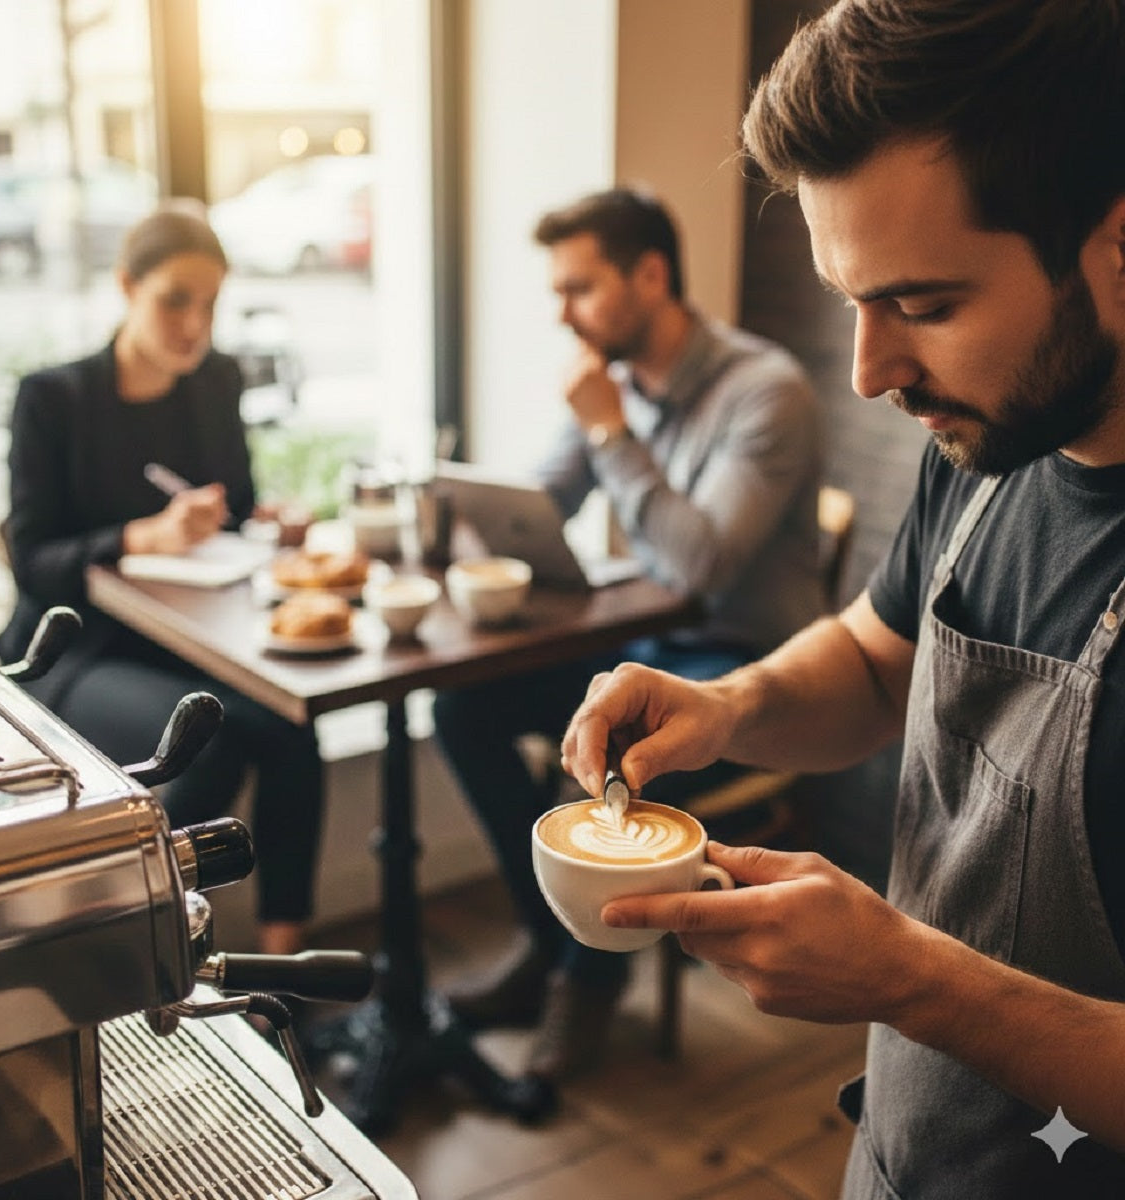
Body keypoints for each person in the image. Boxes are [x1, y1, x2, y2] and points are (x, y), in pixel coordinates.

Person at [561, 2, 1125, 1195]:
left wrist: (910, 980)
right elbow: (880, 662)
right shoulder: (982, 448)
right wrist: (732, 706)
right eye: (851, 302)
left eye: (923, 306)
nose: (871, 372)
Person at [433, 187, 822, 1083]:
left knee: (621, 746)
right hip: (647, 657)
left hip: (747, 674)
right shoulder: (619, 384)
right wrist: (467, 519)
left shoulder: (765, 393)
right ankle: (553, 939)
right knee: (466, 708)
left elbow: (700, 567)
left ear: (651, 276)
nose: (563, 313)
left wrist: (610, 428)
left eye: (578, 289)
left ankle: (583, 990)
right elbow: (542, 507)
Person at [0, 204, 324, 958]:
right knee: (206, 742)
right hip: (73, 651)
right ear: (126, 286)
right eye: (175, 299)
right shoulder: (54, 398)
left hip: (186, 640)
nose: (194, 324)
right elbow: (32, 559)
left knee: (291, 731)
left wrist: (267, 521)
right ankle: (145, 960)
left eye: (209, 305)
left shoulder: (215, 381)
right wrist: (143, 535)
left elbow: (233, 505)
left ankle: (283, 970)